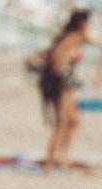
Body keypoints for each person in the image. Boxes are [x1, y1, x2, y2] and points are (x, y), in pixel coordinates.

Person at [39, 9, 93, 175]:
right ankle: (51, 162)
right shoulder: (73, 38)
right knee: (62, 124)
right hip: (61, 84)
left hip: (62, 84)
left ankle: (62, 157)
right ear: (83, 24)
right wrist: (68, 62)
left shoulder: (67, 36)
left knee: (74, 119)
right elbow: (56, 59)